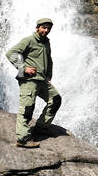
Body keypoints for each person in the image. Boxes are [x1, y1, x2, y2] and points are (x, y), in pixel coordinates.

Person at [7, 17, 62, 148]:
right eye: (44, 27)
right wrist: (23, 68)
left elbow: (49, 59)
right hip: (29, 80)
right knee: (27, 108)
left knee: (56, 99)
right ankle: (23, 139)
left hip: (42, 80)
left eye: (48, 28)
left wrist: (49, 75)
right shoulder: (29, 40)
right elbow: (11, 53)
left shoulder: (46, 42)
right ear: (37, 28)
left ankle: (42, 126)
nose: (46, 30)